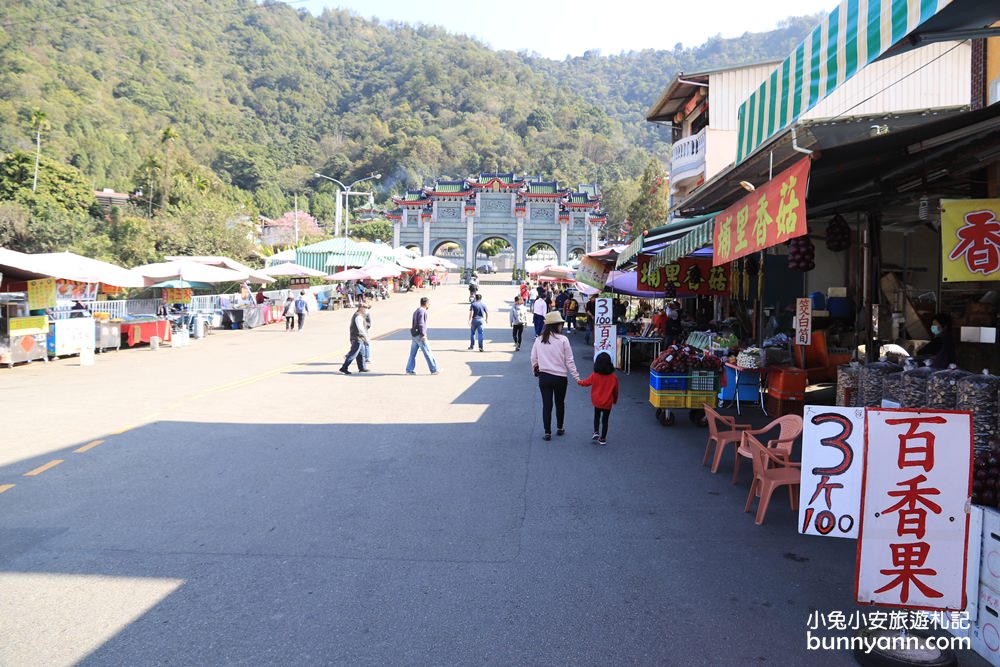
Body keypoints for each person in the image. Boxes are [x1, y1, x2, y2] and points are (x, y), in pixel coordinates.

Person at [530, 311, 580, 441]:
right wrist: (576, 377)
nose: (562, 326)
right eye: (561, 324)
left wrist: (535, 370)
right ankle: (560, 427)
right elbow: (569, 360)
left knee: (547, 405)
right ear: (556, 325)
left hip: (544, 376)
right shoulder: (563, 339)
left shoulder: (539, 339)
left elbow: (533, 358)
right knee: (559, 403)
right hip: (560, 377)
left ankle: (547, 432)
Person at [578, 351, 619, 446]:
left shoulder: (595, 375)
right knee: (605, 420)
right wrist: (615, 400)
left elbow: (586, 383)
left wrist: (579, 381)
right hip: (608, 402)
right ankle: (603, 438)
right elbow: (616, 391)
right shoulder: (613, 377)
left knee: (597, 417)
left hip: (597, 401)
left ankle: (596, 431)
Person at [406, 297, 439, 375]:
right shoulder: (422, 311)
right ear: (426, 304)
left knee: (412, 354)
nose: (429, 305)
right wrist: (423, 334)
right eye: (429, 304)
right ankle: (434, 369)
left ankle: (409, 370)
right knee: (428, 352)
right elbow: (421, 324)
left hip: (415, 335)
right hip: (420, 336)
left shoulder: (417, 310)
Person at [339, 303, 369, 375]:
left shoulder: (360, 315)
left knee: (361, 353)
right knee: (353, 353)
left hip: (360, 338)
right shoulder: (358, 316)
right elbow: (360, 328)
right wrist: (366, 337)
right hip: (357, 337)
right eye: (365, 308)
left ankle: (362, 367)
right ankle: (344, 367)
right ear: (361, 308)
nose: (366, 310)